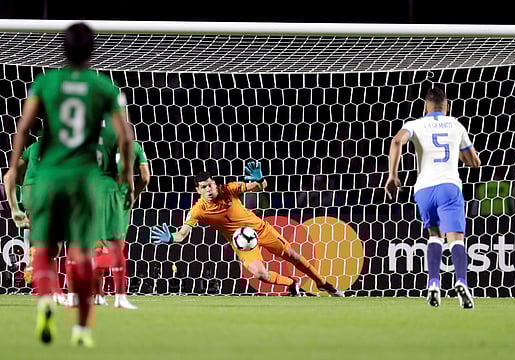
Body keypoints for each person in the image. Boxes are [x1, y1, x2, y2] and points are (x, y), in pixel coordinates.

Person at [4, 22, 134, 347]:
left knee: (46, 249)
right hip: (83, 177)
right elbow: (125, 137)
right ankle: (82, 329)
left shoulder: (46, 82)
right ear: (92, 51)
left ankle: (47, 300)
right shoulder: (104, 87)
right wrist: (127, 175)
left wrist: (11, 167)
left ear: (63, 48)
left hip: (48, 176)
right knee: (81, 251)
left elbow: (23, 128)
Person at [150, 162, 345, 297]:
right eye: (204, 187)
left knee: (293, 255)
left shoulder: (229, 189)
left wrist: (260, 180)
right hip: (243, 244)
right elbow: (182, 234)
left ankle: (324, 284)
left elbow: (260, 187)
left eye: (210, 184)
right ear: (198, 190)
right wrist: (171, 238)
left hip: (260, 230)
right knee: (260, 274)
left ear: (214, 183)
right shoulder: (197, 210)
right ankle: (291, 284)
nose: (209, 189)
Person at [384, 87, 481, 309]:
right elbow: (474, 162)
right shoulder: (456, 124)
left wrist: (392, 175)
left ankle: (433, 284)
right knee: (455, 238)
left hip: (424, 189)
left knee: (434, 236)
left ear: (425, 107)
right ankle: (461, 282)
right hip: (449, 186)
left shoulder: (415, 124)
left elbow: (397, 141)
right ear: (447, 107)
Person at [3, 140, 68, 306]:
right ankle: (36, 256)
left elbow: (10, 175)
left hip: (30, 190)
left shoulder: (33, 147)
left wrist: (14, 208)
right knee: (54, 244)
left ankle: (55, 291)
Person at [94, 140, 150, 307]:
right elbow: (145, 178)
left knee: (97, 246)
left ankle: (98, 295)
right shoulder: (134, 146)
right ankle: (119, 297)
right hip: (120, 201)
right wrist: (133, 197)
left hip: (97, 198)